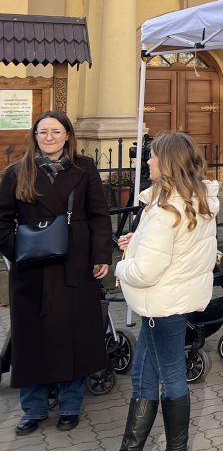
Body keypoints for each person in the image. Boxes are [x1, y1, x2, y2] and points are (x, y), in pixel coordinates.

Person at [0, 111, 112, 437]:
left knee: (73, 336)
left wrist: (100, 255)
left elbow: (99, 215)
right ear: (35, 136)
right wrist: (18, 249)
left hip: (74, 265)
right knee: (31, 340)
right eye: (43, 132)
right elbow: (2, 220)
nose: (49, 137)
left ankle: (70, 405)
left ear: (67, 135)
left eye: (55, 131)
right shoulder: (16, 172)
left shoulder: (84, 168)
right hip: (31, 270)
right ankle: (33, 409)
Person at [115, 131, 219, 451]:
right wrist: (137, 242)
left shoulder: (166, 209)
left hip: (162, 302)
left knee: (169, 377)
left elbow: (146, 271)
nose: (148, 161)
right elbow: (183, 249)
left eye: (153, 156)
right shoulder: (195, 201)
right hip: (172, 300)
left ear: (168, 162)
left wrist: (121, 268)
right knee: (143, 376)